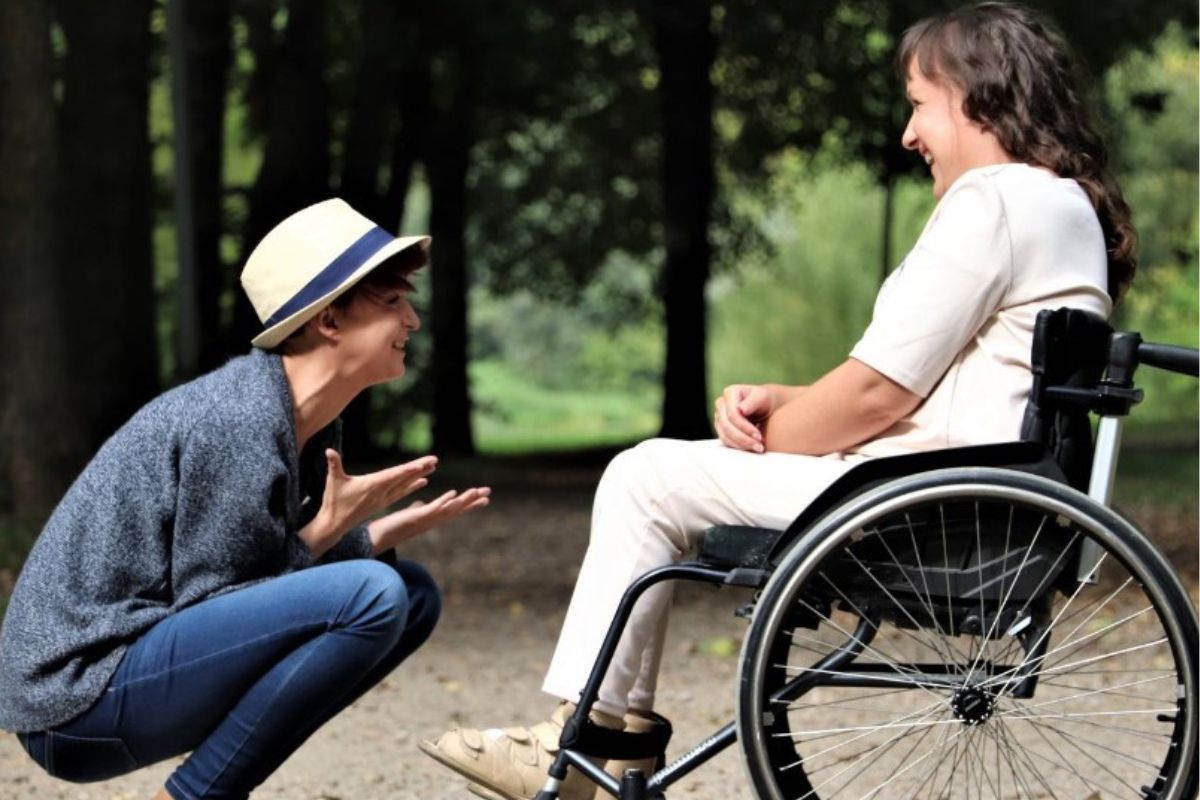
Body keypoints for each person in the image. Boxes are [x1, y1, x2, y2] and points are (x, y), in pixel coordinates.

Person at [420, 3, 1135, 799]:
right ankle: (604, 743)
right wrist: (786, 403)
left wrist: (773, 434)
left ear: (976, 97)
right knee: (667, 471)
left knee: (644, 476)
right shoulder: (1061, 204)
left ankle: (583, 749)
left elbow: (875, 392)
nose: (908, 133)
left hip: (926, 505)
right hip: (976, 494)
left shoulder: (993, 201)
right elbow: (929, 384)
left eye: (917, 104)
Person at [0, 199, 491, 800]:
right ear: (328, 321)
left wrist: (366, 536)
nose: (412, 320)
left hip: (134, 672)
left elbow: (254, 584)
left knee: (410, 595)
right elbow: (216, 602)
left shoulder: (301, 420)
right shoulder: (236, 418)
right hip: (75, 702)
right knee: (374, 593)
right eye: (391, 302)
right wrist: (330, 533)